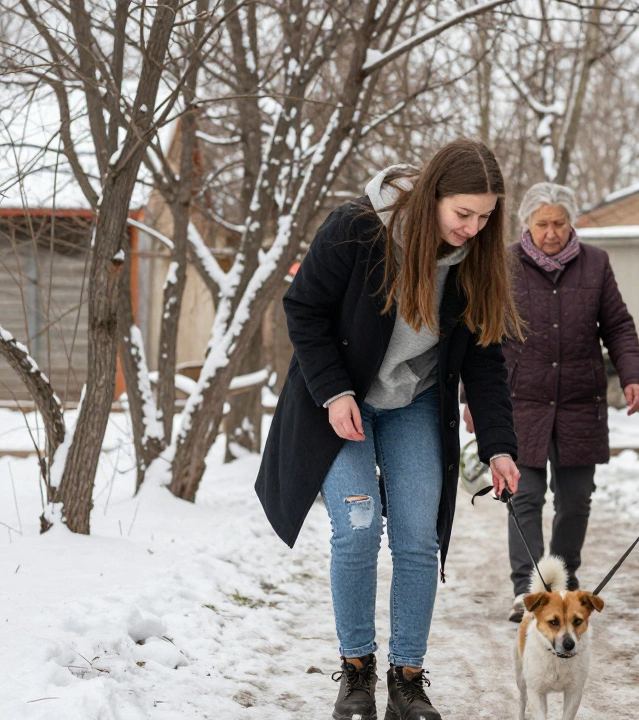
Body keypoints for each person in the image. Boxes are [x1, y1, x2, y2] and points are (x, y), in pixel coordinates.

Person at [255, 139, 523, 720]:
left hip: (414, 404)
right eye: (463, 214)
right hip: (340, 402)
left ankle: (407, 678)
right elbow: (303, 308)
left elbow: (484, 358)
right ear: (431, 198)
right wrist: (334, 391)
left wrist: (499, 445)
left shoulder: (474, 258)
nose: (474, 228)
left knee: (417, 536)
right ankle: (356, 672)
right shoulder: (357, 228)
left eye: (485, 217)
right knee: (355, 528)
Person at [464, 182, 639, 622]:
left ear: (572, 222)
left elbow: (618, 325)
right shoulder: (502, 265)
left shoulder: (596, 264)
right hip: (517, 402)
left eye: (559, 223)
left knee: (575, 500)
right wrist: (471, 399)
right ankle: (528, 591)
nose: (551, 232)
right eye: (542, 223)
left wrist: (633, 376)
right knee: (522, 496)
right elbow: (480, 331)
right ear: (527, 223)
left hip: (580, 403)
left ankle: (563, 588)